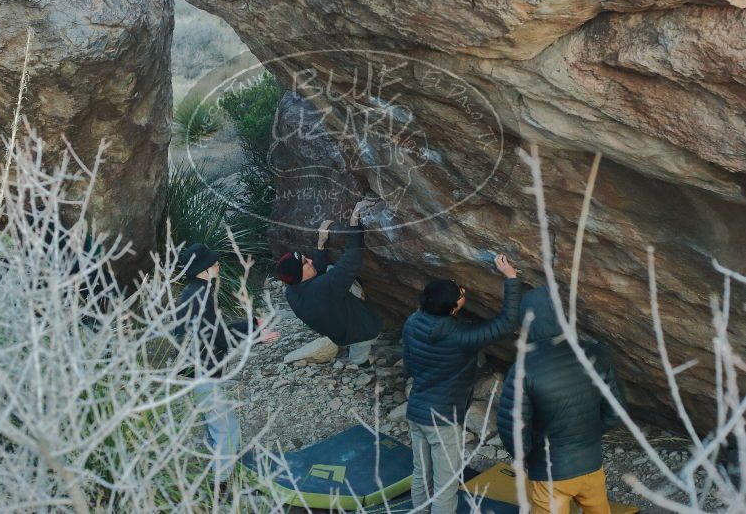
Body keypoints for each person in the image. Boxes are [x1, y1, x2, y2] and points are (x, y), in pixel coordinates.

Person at [403, 255, 521, 514]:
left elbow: (409, 366)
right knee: (446, 483)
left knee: (422, 472)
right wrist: (511, 278)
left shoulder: (413, 322)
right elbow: (506, 323)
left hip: (416, 410)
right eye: (460, 293)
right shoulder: (461, 336)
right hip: (443, 418)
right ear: (454, 307)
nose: (463, 291)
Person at [496, 287, 625, 514]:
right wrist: (588, 436)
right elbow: (616, 411)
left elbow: (512, 428)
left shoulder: (523, 368)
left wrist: (526, 455)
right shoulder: (596, 354)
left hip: (549, 471)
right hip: (590, 462)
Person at [174, 243, 278, 482]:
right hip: (203, 375)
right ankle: (221, 486)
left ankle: (222, 468)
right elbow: (221, 337)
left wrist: (251, 324)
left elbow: (218, 329)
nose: (217, 264)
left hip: (195, 371)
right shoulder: (201, 297)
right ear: (202, 269)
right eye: (213, 263)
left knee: (216, 424)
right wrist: (258, 337)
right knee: (226, 429)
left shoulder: (195, 291)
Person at [274, 201, 382, 366]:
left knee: (329, 271)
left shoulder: (291, 292)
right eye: (305, 262)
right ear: (299, 274)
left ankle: (356, 356)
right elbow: (352, 259)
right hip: (364, 331)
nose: (310, 260)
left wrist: (320, 244)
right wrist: (354, 221)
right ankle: (359, 361)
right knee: (361, 345)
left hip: (337, 332)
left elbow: (316, 274)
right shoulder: (323, 288)